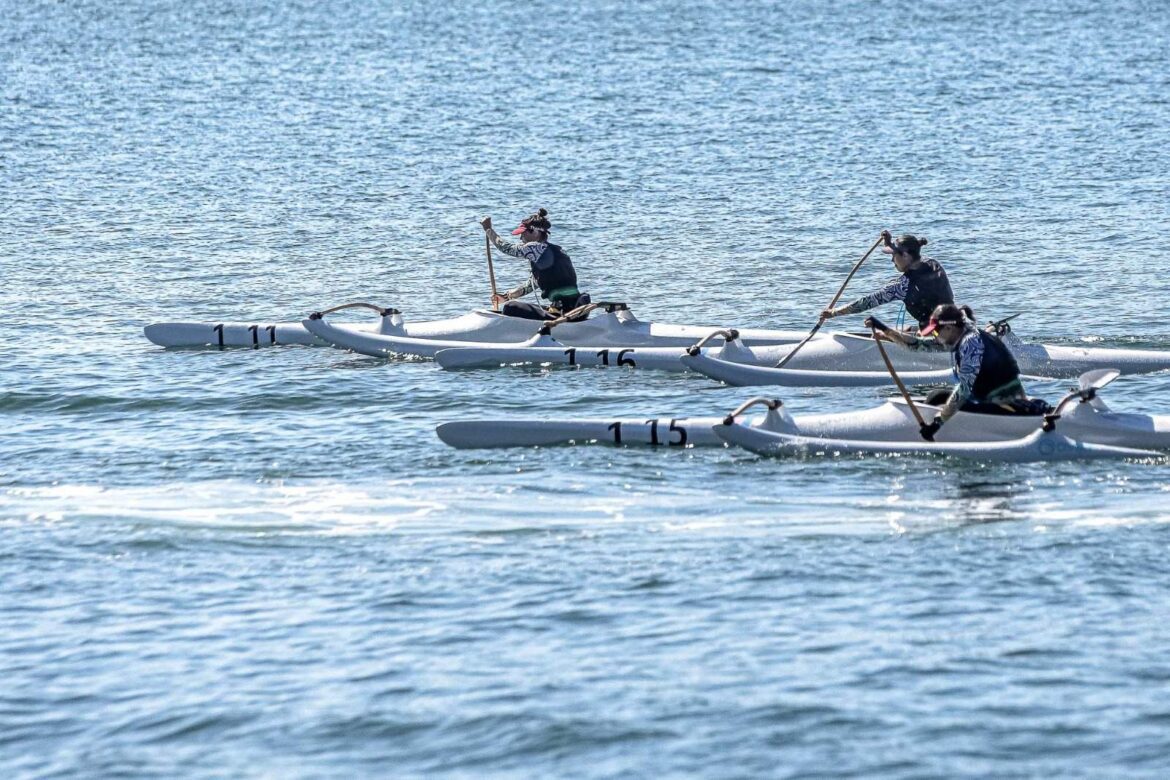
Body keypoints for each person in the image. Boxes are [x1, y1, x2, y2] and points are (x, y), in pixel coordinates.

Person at [865, 303, 1045, 441]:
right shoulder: (961, 333)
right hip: (989, 401)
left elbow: (964, 390)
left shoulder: (970, 344)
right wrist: (885, 330)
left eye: (935, 332)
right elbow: (918, 345)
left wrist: (937, 423)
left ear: (949, 328)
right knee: (937, 397)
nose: (934, 336)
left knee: (940, 401)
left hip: (1009, 409)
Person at [822, 231, 954, 330]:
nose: (892, 260)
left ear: (906, 255)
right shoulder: (933, 263)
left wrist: (834, 313)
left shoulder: (902, 286)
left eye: (893, 255)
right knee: (905, 329)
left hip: (939, 338)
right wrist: (889, 243)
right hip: (956, 325)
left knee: (891, 333)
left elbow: (866, 302)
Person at [478, 208, 590, 320]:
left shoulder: (536, 247)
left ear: (535, 232)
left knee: (509, 307)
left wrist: (488, 230)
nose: (521, 238)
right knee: (511, 304)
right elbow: (531, 285)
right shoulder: (557, 251)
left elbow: (506, 248)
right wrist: (507, 296)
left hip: (563, 313)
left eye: (523, 234)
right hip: (572, 310)